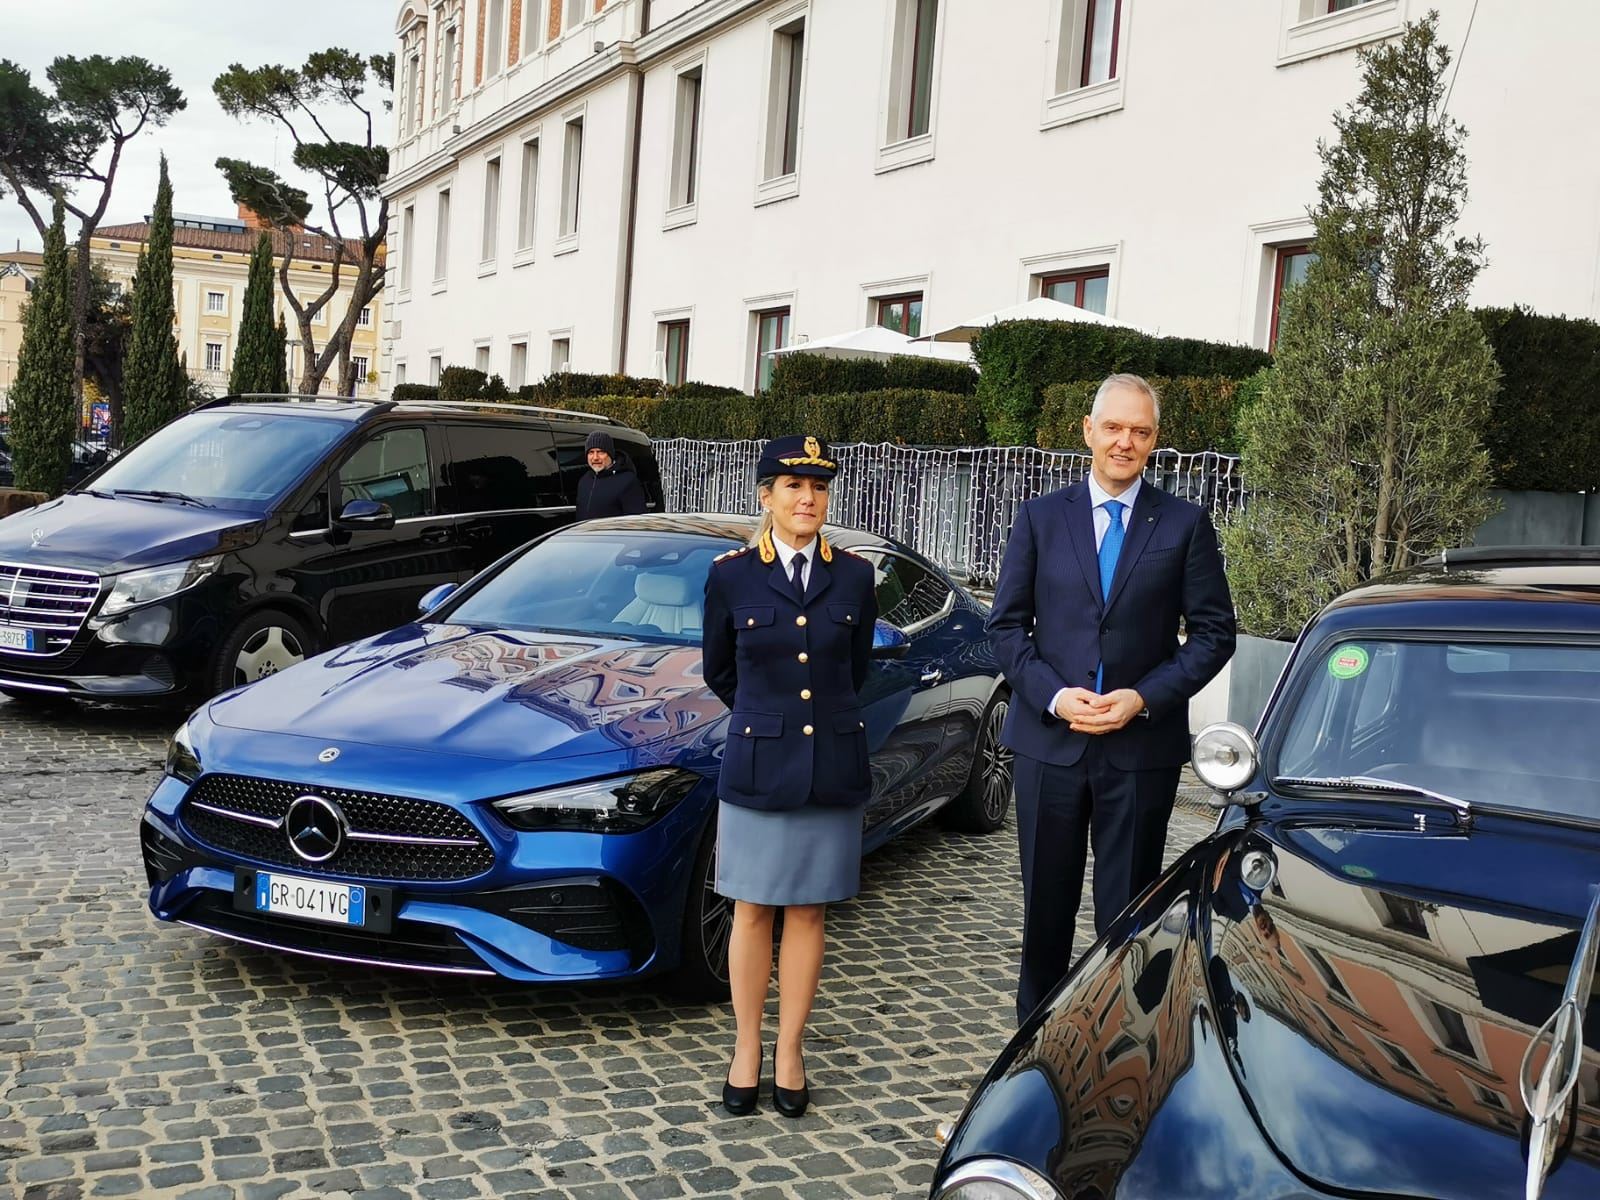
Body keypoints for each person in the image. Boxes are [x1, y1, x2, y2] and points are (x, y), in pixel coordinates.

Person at [987, 373, 1236, 1026]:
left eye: (1140, 431)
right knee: (1045, 912)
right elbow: (1006, 628)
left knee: (1128, 916)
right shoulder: (1041, 519)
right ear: (1089, 432)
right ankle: (1033, 1049)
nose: (1125, 441)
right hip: (1050, 745)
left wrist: (1143, 699)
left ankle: (1116, 1046)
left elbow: (1214, 634)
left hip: (1137, 751)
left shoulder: (1183, 525)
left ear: (1154, 441)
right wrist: (1052, 695)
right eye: (1115, 427)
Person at [701, 434, 878, 1118]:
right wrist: (765, 720)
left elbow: (854, 669)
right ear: (765, 496)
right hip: (758, 763)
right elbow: (721, 669)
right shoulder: (732, 575)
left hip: (830, 764)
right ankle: (746, 1048)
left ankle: (792, 1049)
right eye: (793, 487)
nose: (808, 499)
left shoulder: (856, 577)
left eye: (818, 488)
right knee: (751, 908)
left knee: (807, 911)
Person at [574, 430, 648, 520]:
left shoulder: (628, 481)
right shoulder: (584, 481)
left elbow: (636, 522)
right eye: (591, 452)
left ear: (610, 454)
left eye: (601, 452)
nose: (595, 457)